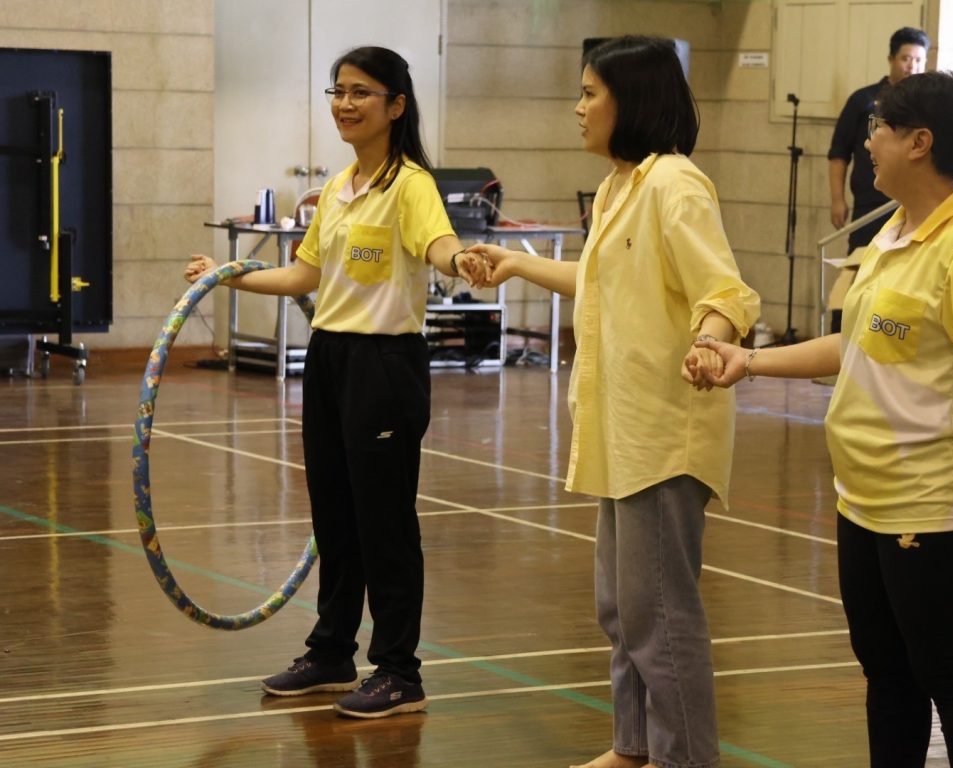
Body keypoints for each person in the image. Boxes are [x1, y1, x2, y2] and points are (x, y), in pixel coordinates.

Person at [689, 71, 953, 767]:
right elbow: (854, 344)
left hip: (934, 504)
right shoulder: (893, 233)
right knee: (887, 671)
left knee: (951, 672)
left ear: (919, 143)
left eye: (879, 128)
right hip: (861, 498)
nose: (867, 142)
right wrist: (748, 362)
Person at [469, 36, 759, 768]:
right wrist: (517, 264)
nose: (578, 107)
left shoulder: (676, 185)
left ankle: (683, 758)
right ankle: (633, 748)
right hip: (619, 431)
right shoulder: (619, 186)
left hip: (664, 433)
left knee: (659, 613)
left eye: (590, 93)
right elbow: (601, 279)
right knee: (621, 609)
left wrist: (710, 340)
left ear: (631, 102)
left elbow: (726, 292)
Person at [184, 46, 487, 719]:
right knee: (334, 515)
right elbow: (303, 275)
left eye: (360, 93)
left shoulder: (411, 185)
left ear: (396, 106)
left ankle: (400, 671)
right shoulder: (340, 187)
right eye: (338, 91)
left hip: (385, 365)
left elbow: (438, 246)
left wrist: (461, 259)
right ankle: (330, 653)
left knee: (384, 522)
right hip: (328, 359)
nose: (345, 105)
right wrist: (225, 276)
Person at [829, 26, 929, 254]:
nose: (912, 66)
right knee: (863, 264)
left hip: (914, 203)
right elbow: (838, 153)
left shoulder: (928, 105)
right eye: (906, 58)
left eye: (918, 60)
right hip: (870, 204)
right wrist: (837, 199)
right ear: (891, 59)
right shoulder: (863, 100)